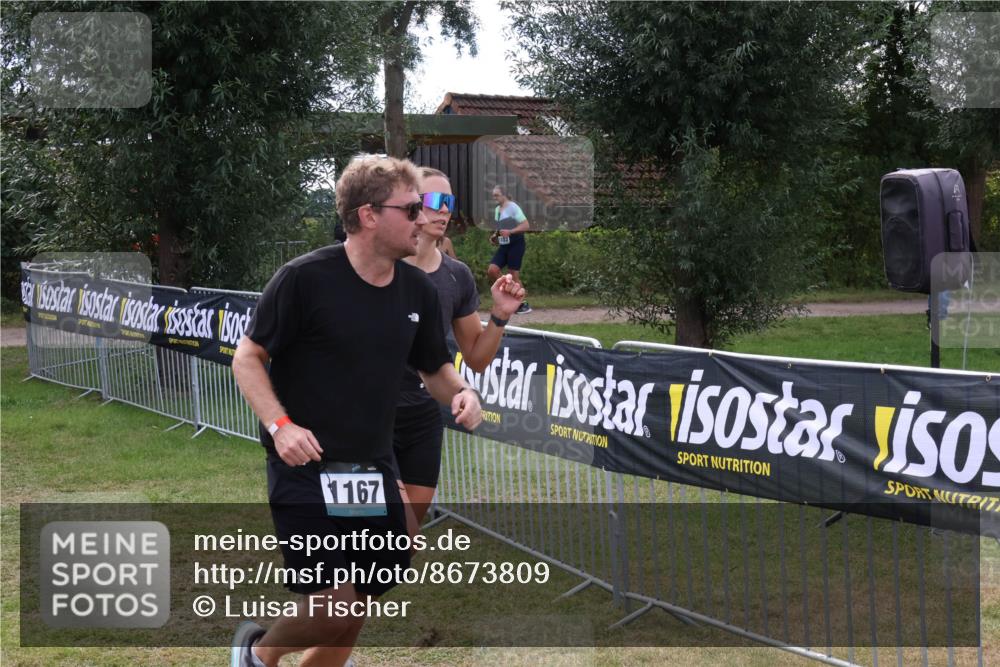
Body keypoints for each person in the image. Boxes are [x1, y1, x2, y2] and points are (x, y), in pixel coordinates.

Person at [230, 155, 482, 667]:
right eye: (411, 208)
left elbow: (434, 366)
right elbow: (248, 357)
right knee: (336, 601)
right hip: (306, 465)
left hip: (372, 467)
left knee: (360, 601)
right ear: (369, 215)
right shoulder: (304, 279)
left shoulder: (416, 290)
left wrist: (462, 391)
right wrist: (281, 427)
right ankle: (256, 653)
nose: (422, 218)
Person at [396, 167, 525, 525]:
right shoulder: (381, 268)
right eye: (435, 201)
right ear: (411, 204)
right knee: (385, 526)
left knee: (402, 541)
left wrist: (500, 315)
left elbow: (477, 359)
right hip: (370, 414)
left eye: (449, 202)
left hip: (422, 416)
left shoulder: (456, 275)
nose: (445, 211)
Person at [488, 185, 532, 314]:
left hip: (516, 244)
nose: (494, 197)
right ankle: (509, 295)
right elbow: (500, 228)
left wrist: (511, 232)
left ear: (504, 195)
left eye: (496, 195)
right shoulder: (497, 209)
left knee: (513, 275)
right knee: (492, 270)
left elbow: (526, 225)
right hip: (504, 246)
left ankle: (523, 304)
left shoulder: (513, 207)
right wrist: (495, 236)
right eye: (493, 195)